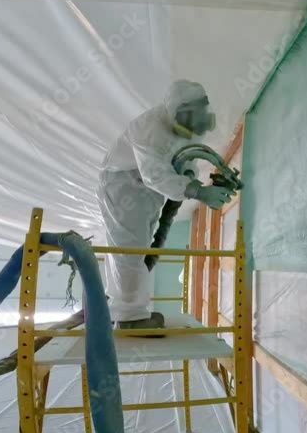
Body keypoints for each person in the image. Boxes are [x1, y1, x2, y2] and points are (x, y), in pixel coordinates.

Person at [97, 80, 233, 330]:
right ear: (174, 112)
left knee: (141, 246)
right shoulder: (149, 129)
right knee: (129, 247)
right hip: (124, 184)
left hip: (145, 189)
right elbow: (154, 174)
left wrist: (191, 177)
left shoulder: (186, 121)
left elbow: (184, 154)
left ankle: (128, 309)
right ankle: (128, 318)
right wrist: (198, 192)